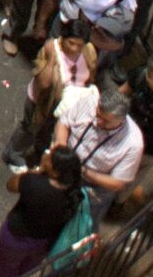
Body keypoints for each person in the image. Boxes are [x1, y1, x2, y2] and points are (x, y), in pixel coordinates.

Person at [0, 144, 85, 277]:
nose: (45, 155)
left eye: (49, 158)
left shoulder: (34, 183)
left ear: (56, 172)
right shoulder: (74, 193)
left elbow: (10, 185)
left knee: (6, 275)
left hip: (16, 239)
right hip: (42, 243)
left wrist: (35, 171)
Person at [58, 86, 147, 217]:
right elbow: (63, 123)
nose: (98, 121)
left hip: (94, 188)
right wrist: (61, 147)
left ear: (121, 120)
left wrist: (84, 171)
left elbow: (117, 183)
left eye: (105, 121)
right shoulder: (90, 102)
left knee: (80, 225)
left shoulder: (133, 142)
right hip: (65, 167)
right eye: (98, 114)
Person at [11, 27, 96, 164]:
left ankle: (40, 150)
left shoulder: (88, 50)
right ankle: (14, 153)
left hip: (66, 106)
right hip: (42, 102)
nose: (75, 49)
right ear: (63, 40)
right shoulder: (52, 50)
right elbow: (44, 83)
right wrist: (51, 60)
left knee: (49, 130)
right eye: (71, 43)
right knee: (30, 129)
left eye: (79, 45)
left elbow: (91, 73)